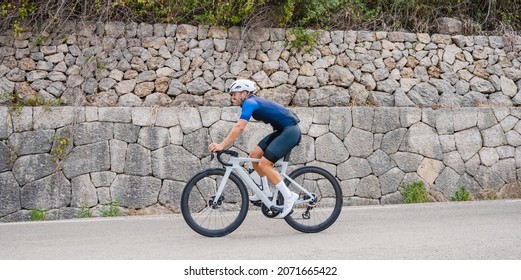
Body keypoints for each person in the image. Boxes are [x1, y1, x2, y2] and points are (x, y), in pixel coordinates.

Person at [208, 79, 301, 218]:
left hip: (290, 131)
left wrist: (221, 145)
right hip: (283, 130)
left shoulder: (250, 102)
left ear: (244, 93)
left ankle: (289, 196)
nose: (232, 97)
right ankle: (266, 193)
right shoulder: (251, 102)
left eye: (234, 94)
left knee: (265, 164)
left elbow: (239, 127)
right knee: (255, 154)